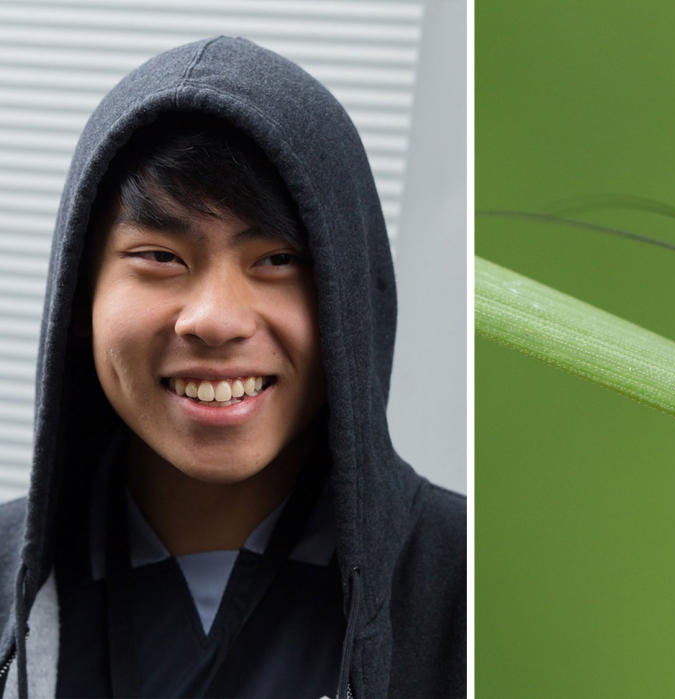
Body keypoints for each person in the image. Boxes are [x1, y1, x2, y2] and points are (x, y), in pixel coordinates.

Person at [0, 38, 465, 697]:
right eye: (160, 256)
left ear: (350, 298)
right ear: (79, 296)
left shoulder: (469, 584)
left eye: (276, 259)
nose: (216, 318)